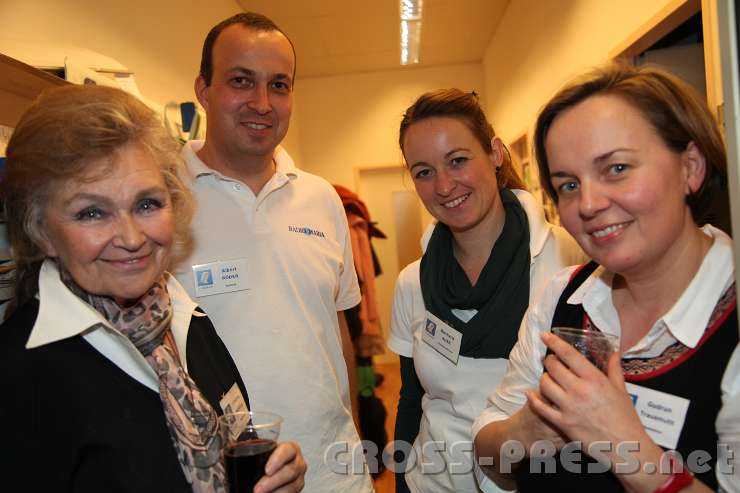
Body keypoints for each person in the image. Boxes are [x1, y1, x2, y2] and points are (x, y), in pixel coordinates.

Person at [0, 85, 306, 493]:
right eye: (92, 212)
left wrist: (274, 480)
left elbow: (235, 439)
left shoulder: (183, 318)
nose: (130, 237)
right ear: (41, 232)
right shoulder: (19, 374)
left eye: (147, 204)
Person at [473, 64, 740, 492]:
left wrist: (626, 446)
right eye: (568, 185)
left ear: (690, 167)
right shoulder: (565, 296)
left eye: (616, 168)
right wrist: (524, 434)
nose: (589, 204)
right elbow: (488, 457)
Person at [173, 12, 372, 492]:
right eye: (242, 81)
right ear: (204, 90)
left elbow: (337, 332)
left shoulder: (322, 198)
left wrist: (357, 441)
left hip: (336, 471)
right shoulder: (162, 199)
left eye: (279, 85)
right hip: (227, 477)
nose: (262, 103)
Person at [388, 88, 585, 493]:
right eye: (424, 172)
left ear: (495, 153)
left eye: (458, 160)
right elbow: (411, 399)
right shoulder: (413, 281)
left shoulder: (568, 259)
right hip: (433, 482)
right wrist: (402, 482)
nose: (444, 186)